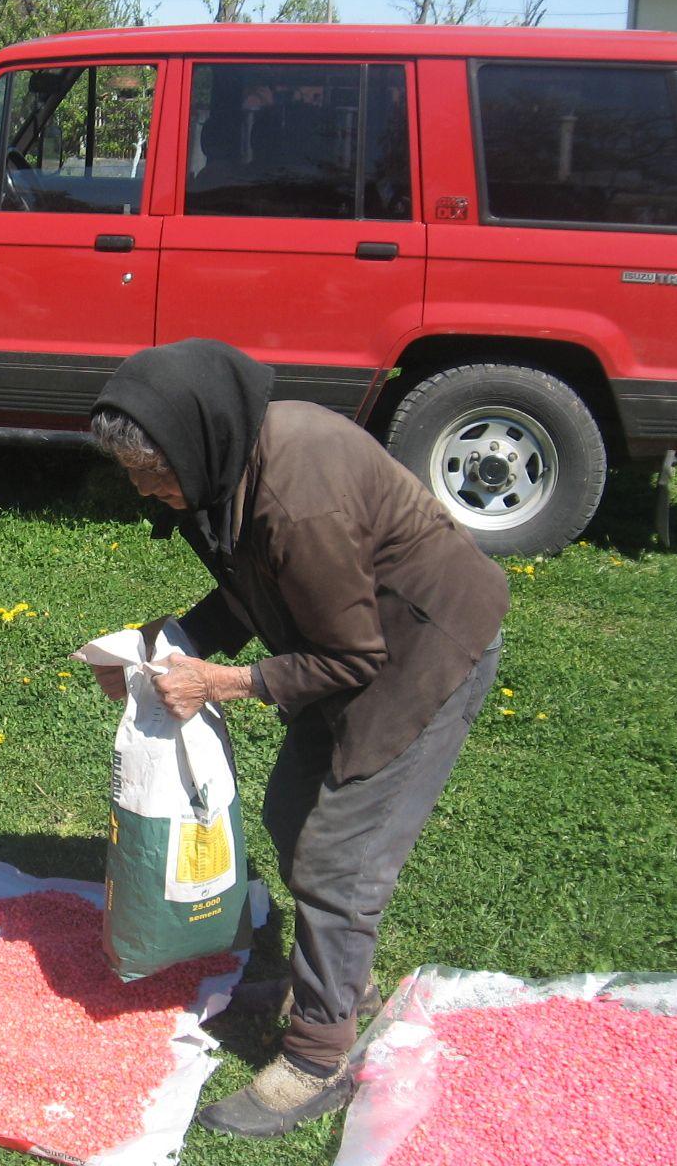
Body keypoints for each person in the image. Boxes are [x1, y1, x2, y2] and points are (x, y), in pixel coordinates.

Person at [87, 339, 509, 1137]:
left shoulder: (297, 493)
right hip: (344, 640)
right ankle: (339, 983)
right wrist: (161, 641)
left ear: (196, 439)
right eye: (137, 477)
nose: (149, 493)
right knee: (288, 817)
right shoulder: (226, 466)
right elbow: (252, 588)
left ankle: (319, 1055)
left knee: (337, 857)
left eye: (154, 474)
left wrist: (221, 683)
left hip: (422, 650)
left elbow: (354, 658)